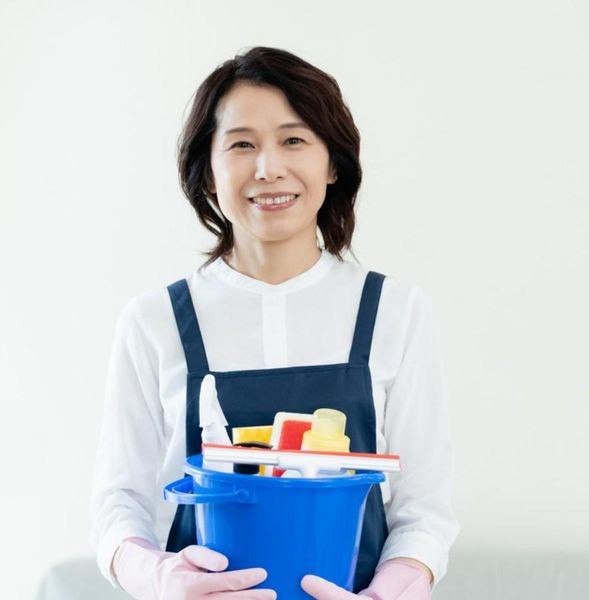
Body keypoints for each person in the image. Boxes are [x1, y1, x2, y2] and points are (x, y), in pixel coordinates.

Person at [89, 46, 459, 600]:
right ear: (208, 172)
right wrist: (157, 577)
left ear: (332, 164)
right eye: (242, 144)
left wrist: (390, 592)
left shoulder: (396, 312)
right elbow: (117, 505)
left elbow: (424, 509)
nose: (268, 169)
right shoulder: (154, 321)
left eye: (293, 140)